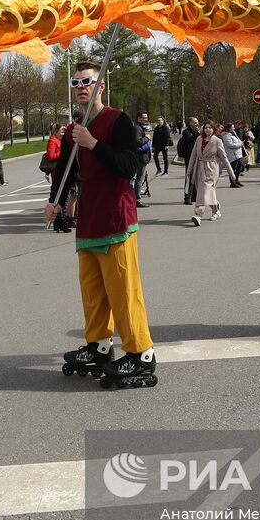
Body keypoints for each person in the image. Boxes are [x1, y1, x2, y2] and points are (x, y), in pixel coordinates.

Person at [47, 61, 157, 388]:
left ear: (101, 86)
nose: (82, 87)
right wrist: (55, 203)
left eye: (88, 81)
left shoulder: (118, 121)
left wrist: (93, 143)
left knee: (123, 292)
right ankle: (99, 346)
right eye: (76, 82)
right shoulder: (73, 130)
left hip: (116, 218)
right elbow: (64, 173)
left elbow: (130, 166)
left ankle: (141, 353)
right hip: (89, 220)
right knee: (93, 293)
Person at [185, 121, 237, 226]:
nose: (207, 129)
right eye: (206, 128)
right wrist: (189, 170)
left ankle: (198, 214)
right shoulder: (199, 140)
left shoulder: (217, 141)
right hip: (199, 168)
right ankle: (216, 210)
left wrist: (231, 173)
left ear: (213, 129)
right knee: (207, 191)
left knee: (203, 191)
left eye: (210, 128)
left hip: (211, 169)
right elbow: (193, 155)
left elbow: (224, 158)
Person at [175, 117, 201, 203]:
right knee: (189, 176)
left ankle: (194, 195)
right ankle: (187, 197)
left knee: (196, 177)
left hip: (197, 157)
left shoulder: (196, 132)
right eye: (195, 122)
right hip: (189, 157)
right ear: (190, 123)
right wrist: (198, 134)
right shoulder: (186, 132)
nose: (197, 124)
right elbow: (190, 140)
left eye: (197, 122)